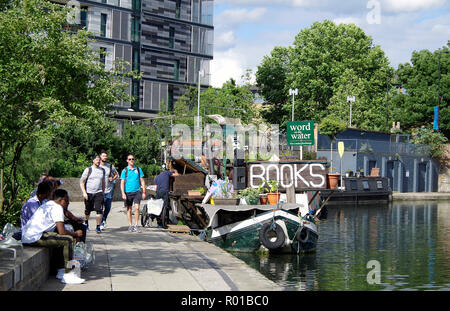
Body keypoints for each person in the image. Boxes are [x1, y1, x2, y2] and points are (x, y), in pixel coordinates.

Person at [21, 189, 85, 284]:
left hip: (30, 236)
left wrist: (74, 218)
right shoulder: (57, 208)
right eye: (66, 201)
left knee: (60, 238)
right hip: (34, 237)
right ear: (60, 200)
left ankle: (61, 270)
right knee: (67, 239)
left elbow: (65, 218)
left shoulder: (49, 204)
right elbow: (62, 231)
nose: (68, 203)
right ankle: (68, 275)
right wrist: (76, 234)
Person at [80, 155, 105, 234]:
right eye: (97, 160)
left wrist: (103, 192)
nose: (98, 161)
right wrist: (84, 192)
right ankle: (86, 223)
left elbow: (103, 182)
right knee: (87, 210)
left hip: (99, 192)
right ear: (93, 161)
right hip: (89, 192)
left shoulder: (102, 170)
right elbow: (82, 182)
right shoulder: (88, 170)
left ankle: (98, 227)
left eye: (99, 160)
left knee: (99, 210)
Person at [120, 154, 146, 233]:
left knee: (137, 208)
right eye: (130, 159)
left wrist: (144, 191)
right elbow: (122, 183)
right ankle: (130, 225)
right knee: (129, 209)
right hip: (128, 192)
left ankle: (136, 225)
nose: (131, 160)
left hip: (137, 191)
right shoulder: (125, 170)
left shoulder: (138, 169)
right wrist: (123, 193)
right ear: (127, 160)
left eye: (133, 159)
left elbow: (142, 181)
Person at [99, 151, 118, 230]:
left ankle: (104, 219)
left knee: (107, 207)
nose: (105, 157)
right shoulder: (97, 166)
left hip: (109, 190)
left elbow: (117, 174)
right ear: (100, 157)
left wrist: (112, 178)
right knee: (99, 208)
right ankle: (101, 222)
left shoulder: (110, 166)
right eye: (103, 156)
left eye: (106, 156)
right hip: (99, 190)